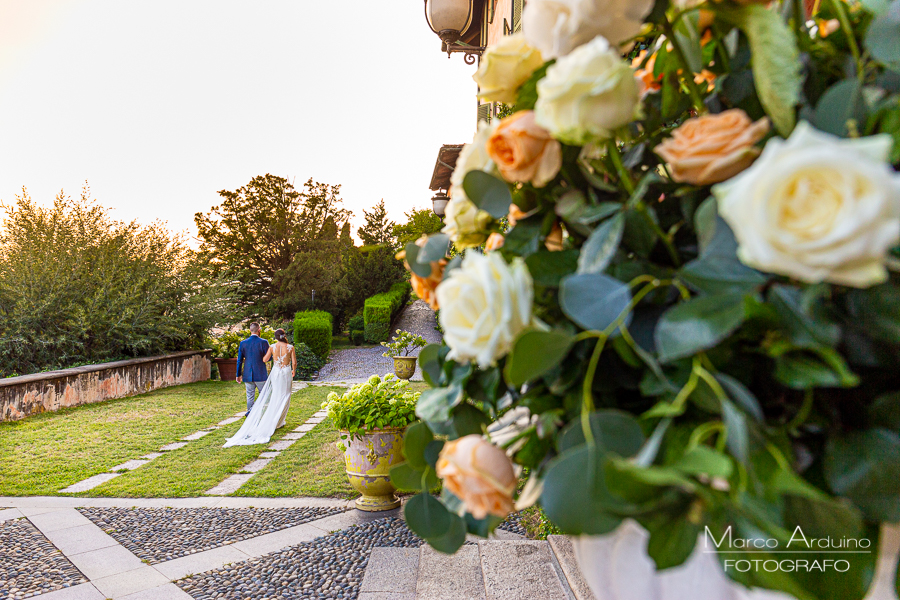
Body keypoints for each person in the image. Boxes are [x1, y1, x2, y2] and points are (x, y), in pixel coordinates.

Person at [224, 328, 296, 447]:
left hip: (275, 372)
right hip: (285, 372)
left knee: (274, 395)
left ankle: (265, 417)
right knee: (285, 395)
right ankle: (279, 420)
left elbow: (264, 359)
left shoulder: (271, 346)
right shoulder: (290, 347)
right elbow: (294, 362)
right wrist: (293, 370)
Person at [235, 323, 269, 416]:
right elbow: (269, 358)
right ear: (259, 330)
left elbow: (239, 360)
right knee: (263, 394)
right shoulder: (264, 342)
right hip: (260, 373)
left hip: (247, 373)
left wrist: (238, 374)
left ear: (250, 330)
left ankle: (251, 413)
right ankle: (259, 412)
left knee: (250, 396)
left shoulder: (243, 343)